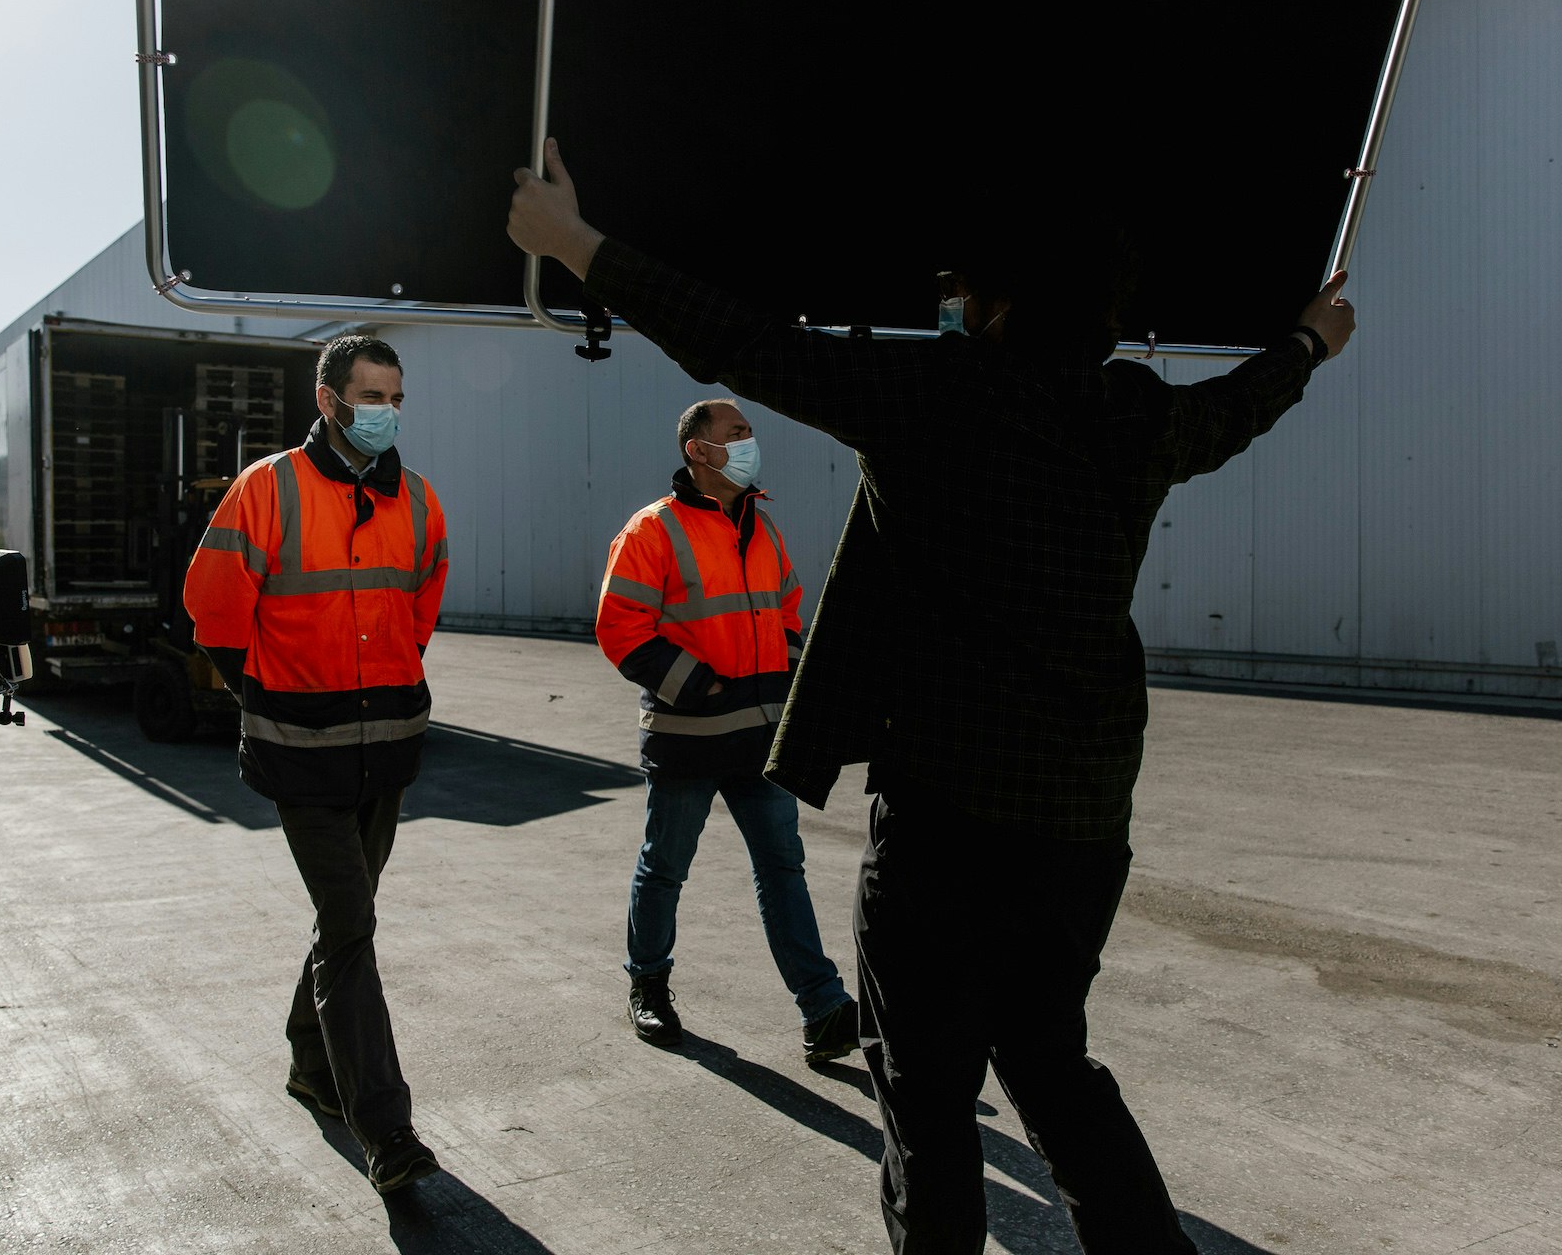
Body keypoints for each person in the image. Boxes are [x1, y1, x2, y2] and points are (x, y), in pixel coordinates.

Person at [509, 139, 1356, 1253]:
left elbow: (752, 346)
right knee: (1053, 1061)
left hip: (946, 820)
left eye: (959, 289)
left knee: (927, 1095)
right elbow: (1239, 406)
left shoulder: (932, 398)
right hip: (1081, 817)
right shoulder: (1135, 417)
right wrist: (1307, 340)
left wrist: (576, 246)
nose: (947, 305)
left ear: (1002, 298)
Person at [184, 334, 450, 1196]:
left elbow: (419, 609)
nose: (386, 411)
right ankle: (387, 1129)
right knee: (351, 925)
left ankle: (308, 1062)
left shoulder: (418, 500)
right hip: (302, 753)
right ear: (328, 398)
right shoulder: (269, 488)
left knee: (348, 920)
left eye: (396, 397)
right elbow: (214, 612)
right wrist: (273, 696)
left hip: (388, 749)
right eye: (370, 395)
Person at [598, 398, 857, 1063]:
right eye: (736, 434)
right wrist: (701, 684)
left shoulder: (761, 528)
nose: (749, 443)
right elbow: (620, 626)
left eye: (750, 433)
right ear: (699, 450)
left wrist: (790, 676)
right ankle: (648, 989)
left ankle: (823, 1008)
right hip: (692, 737)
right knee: (665, 870)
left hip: (761, 736)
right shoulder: (651, 530)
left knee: (783, 870)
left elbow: (789, 609)